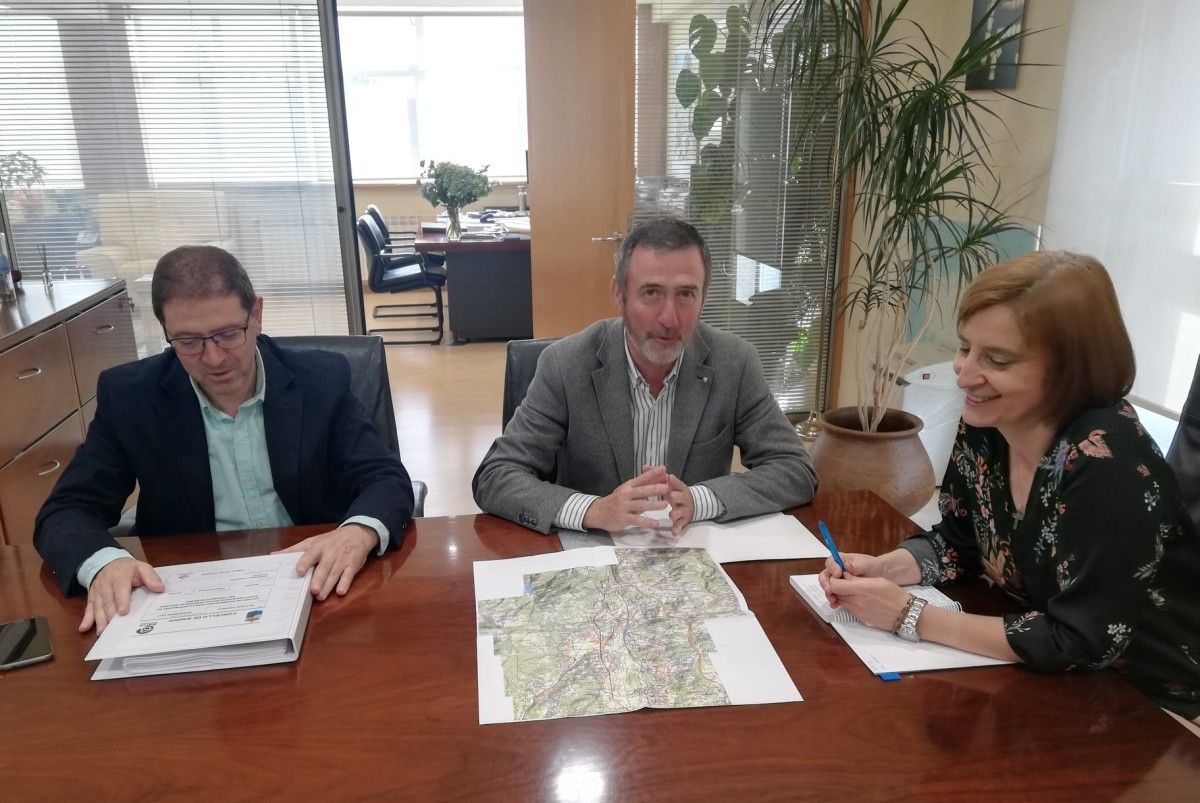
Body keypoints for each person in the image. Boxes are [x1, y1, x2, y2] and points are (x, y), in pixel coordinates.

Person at [818, 251, 1200, 723]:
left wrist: (908, 616)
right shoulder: (988, 422)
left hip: (1153, 710)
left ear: (1068, 369)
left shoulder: (1107, 463)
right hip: (1044, 681)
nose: (964, 373)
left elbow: (1081, 639)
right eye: (965, 348)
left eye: (995, 360)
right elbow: (960, 541)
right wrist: (887, 568)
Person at [35, 245, 415, 634]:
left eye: (228, 334)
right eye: (188, 341)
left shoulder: (321, 379)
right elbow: (66, 511)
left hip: (316, 585)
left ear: (258, 315)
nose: (213, 358)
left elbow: (386, 478)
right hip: (188, 598)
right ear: (166, 333)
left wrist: (357, 531)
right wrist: (104, 562)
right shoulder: (131, 397)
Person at [473, 216, 816, 536]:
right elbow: (496, 476)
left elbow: (795, 469)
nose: (669, 318)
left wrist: (701, 500)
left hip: (693, 562)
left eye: (685, 294)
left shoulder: (734, 364)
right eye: (651, 293)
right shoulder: (566, 365)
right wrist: (593, 509)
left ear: (703, 297)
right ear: (619, 296)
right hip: (594, 563)